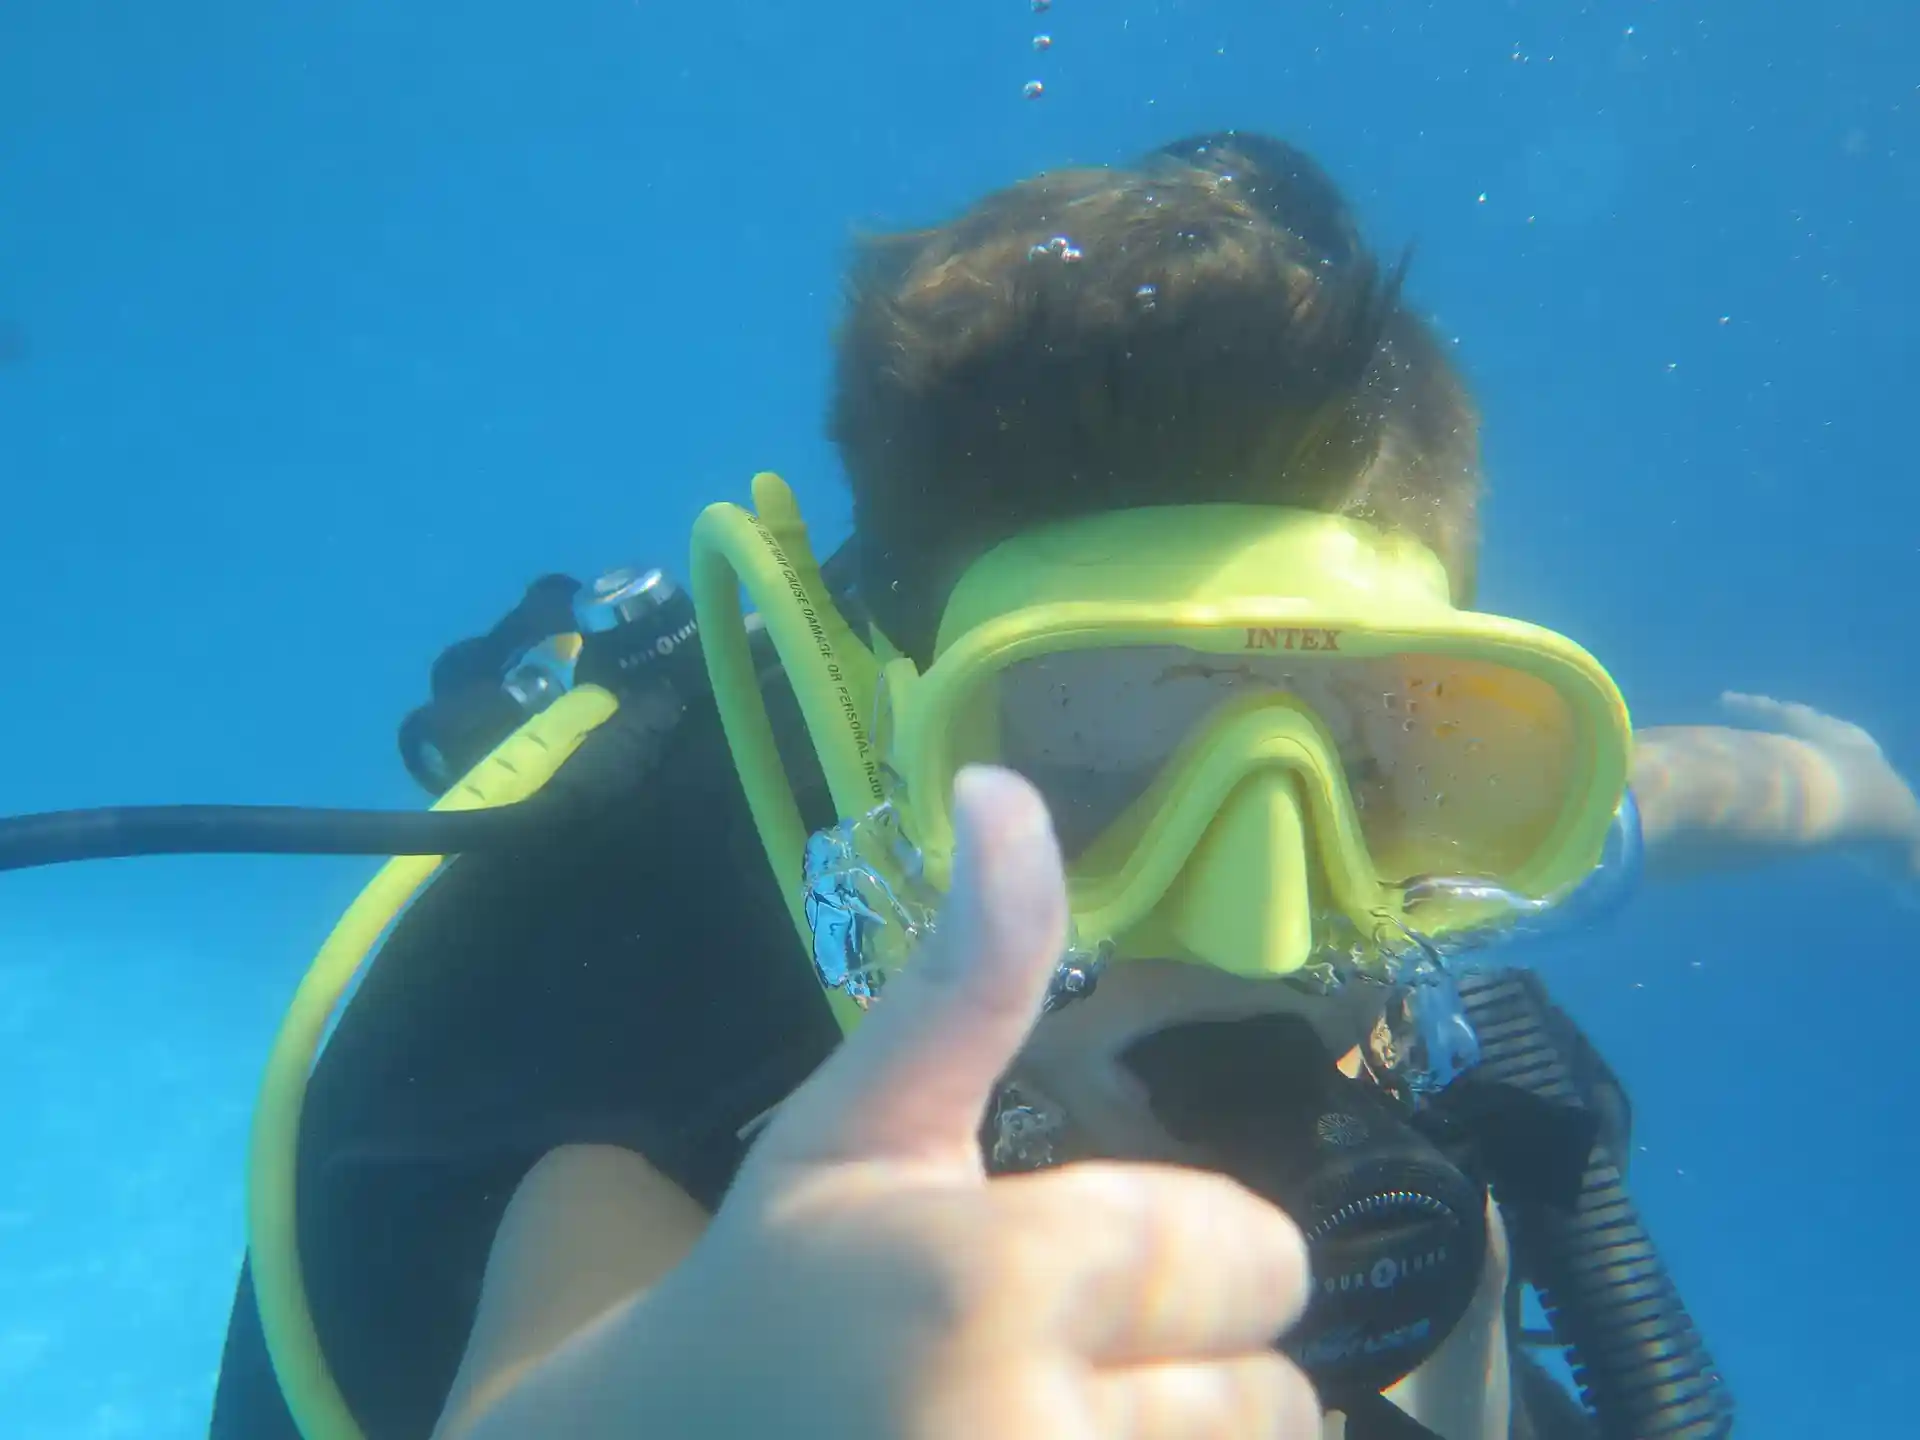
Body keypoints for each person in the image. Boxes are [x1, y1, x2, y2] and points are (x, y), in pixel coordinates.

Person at [200, 132, 1920, 1440]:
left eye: (1381, 751)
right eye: (1098, 751)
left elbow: (1672, 796)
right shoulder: (636, 1059)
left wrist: (1868, 804)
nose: (1262, 911)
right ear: (898, 747)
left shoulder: (1441, 865)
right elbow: (558, 1374)